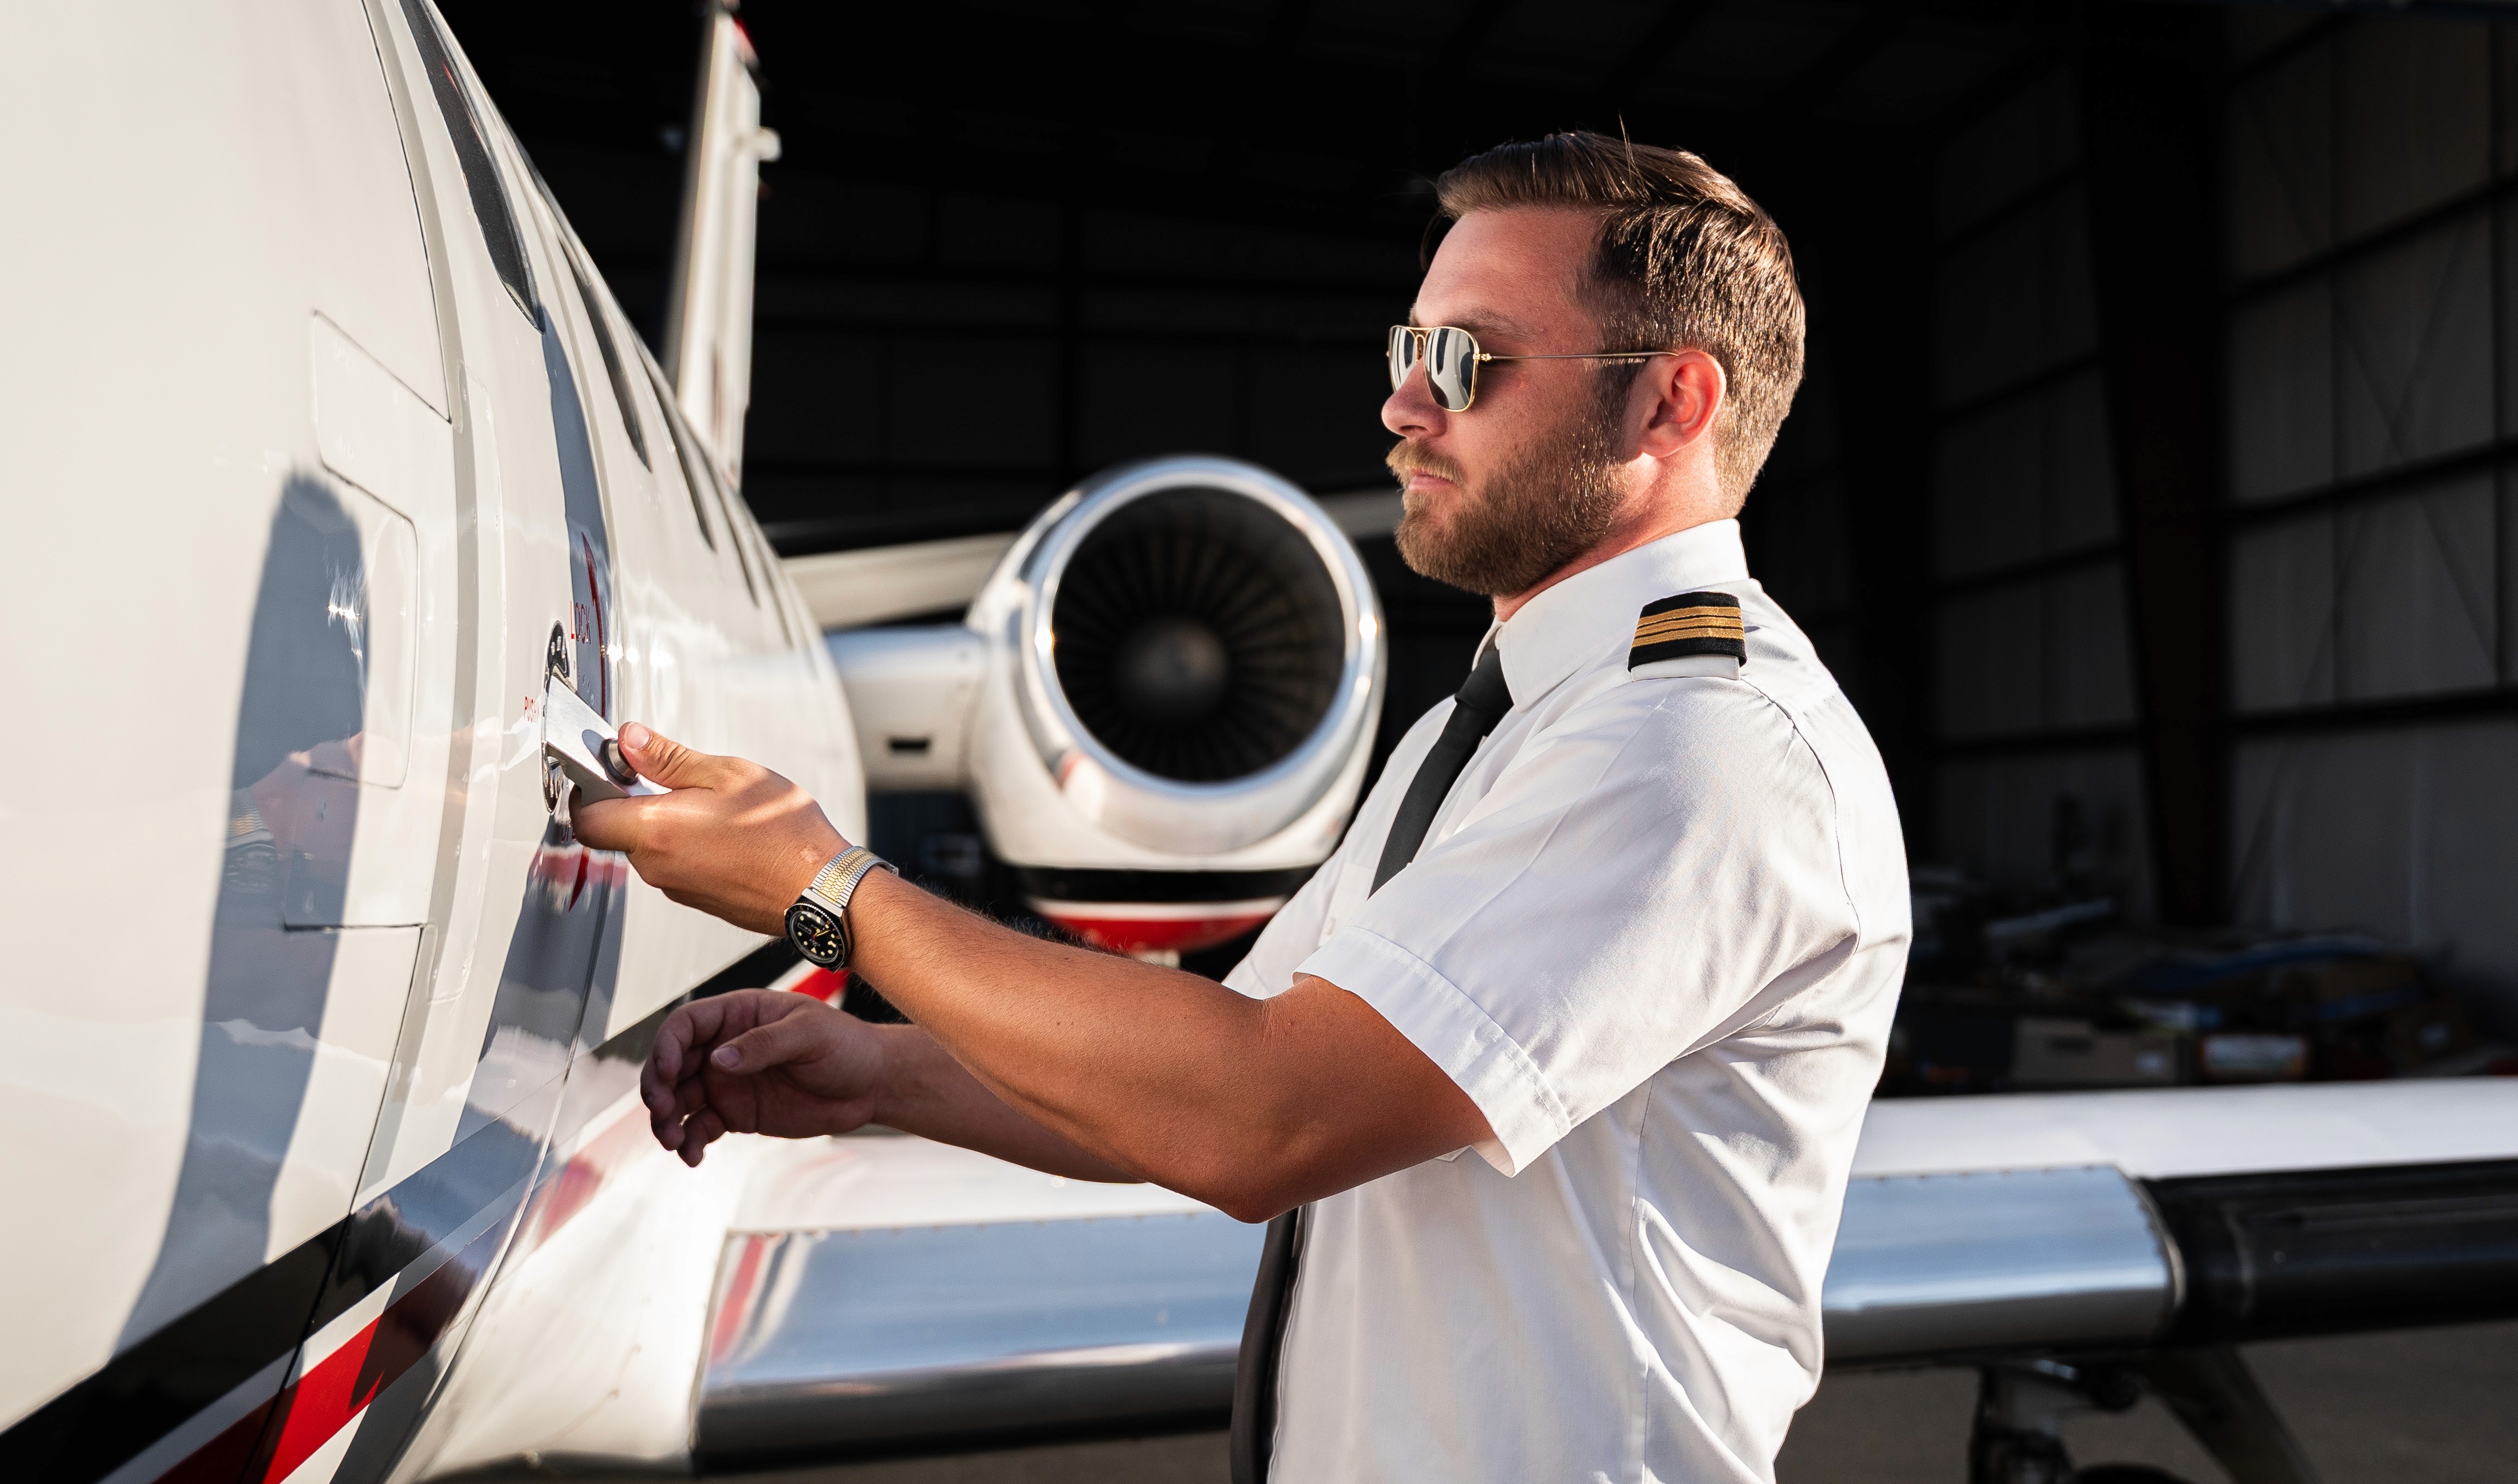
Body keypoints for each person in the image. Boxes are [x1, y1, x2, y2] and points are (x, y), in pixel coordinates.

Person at [573, 131, 1910, 1484]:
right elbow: (1202, 1069)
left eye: (1464, 360)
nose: (1401, 407)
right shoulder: (1484, 734)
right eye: (1406, 351)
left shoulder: (1700, 749)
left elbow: (1259, 1119)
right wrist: (881, 1072)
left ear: (1672, 405)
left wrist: (832, 891)